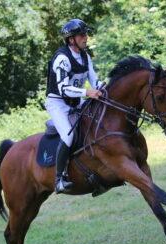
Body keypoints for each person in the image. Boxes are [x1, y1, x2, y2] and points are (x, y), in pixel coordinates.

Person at [45, 18, 103, 194]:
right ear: (71, 39)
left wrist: (102, 89)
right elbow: (63, 89)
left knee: (97, 122)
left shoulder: (85, 56)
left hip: (77, 101)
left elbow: (93, 79)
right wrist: (87, 93)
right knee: (69, 137)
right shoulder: (62, 58)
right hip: (58, 103)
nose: (86, 37)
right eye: (82, 35)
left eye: (86, 34)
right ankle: (59, 179)